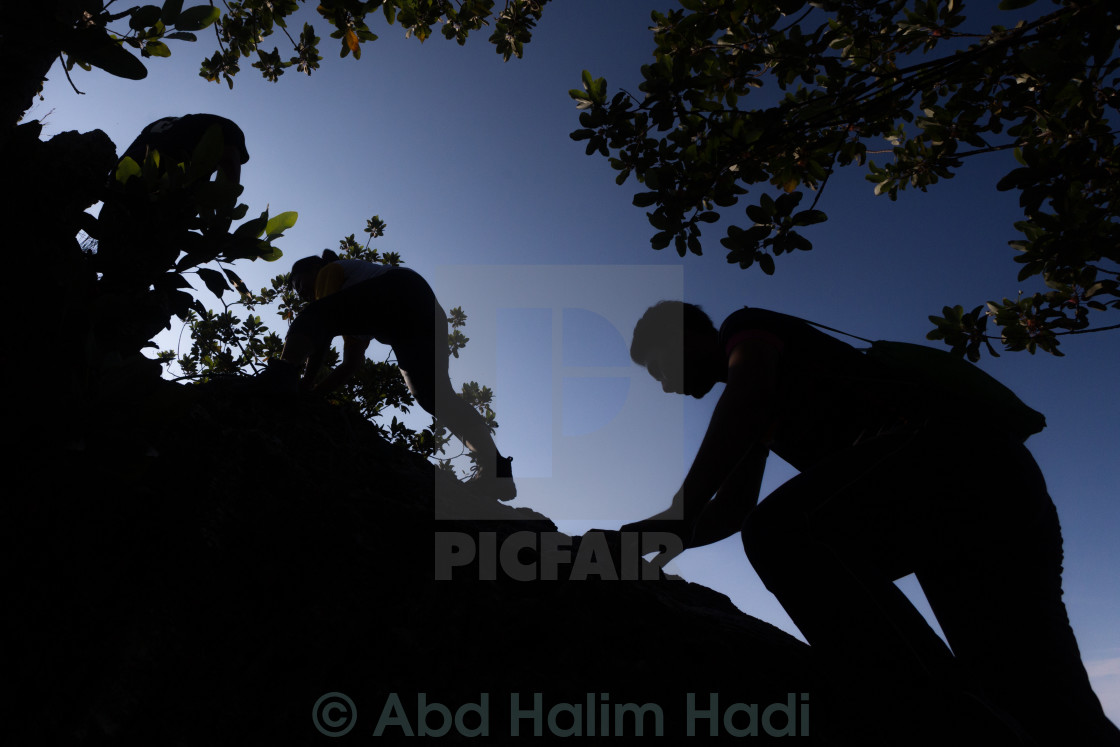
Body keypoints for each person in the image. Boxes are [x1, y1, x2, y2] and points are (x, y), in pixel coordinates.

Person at [616, 300, 1120, 745]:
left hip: (958, 459)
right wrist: (631, 542)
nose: (665, 385)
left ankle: (935, 716)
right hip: (973, 504)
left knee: (785, 532)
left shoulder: (745, 328)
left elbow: (745, 399)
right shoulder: (762, 408)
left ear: (683, 337)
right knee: (1035, 692)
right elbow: (729, 510)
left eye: (659, 366)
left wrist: (676, 515)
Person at [261, 250, 516, 501]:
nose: (300, 292)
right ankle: (495, 469)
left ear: (315, 268)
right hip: (423, 312)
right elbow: (350, 365)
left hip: (402, 290)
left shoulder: (331, 270)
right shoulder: (354, 303)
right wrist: (315, 395)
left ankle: (283, 375)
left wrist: (303, 385)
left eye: (298, 283)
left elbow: (321, 321)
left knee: (309, 316)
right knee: (434, 396)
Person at [119, 113, 249, 184]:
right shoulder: (230, 132)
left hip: (123, 182)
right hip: (162, 193)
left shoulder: (163, 124)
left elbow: (127, 157)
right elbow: (231, 163)